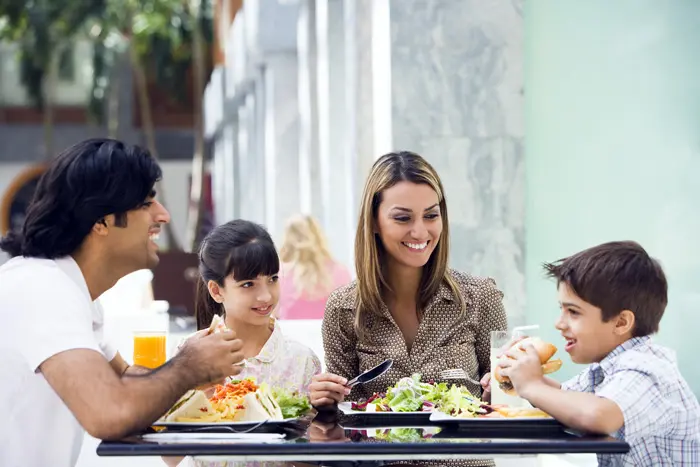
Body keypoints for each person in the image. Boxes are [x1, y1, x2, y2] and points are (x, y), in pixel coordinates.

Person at [0, 139, 246, 467]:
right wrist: (189, 365)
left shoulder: (69, 290)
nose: (163, 215)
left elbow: (126, 379)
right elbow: (110, 411)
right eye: (146, 203)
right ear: (100, 220)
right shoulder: (41, 287)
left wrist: (201, 377)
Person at [309, 150, 508, 407]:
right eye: (403, 218)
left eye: (431, 215)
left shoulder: (481, 297)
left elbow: (507, 401)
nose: (420, 231)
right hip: (376, 448)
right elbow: (342, 415)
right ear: (374, 222)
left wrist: (501, 390)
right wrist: (323, 401)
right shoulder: (343, 308)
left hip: (460, 447)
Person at [497, 241, 700, 466]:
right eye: (561, 309)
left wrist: (532, 385)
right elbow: (565, 397)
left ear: (621, 322)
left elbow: (597, 416)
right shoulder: (607, 367)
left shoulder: (648, 369)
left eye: (573, 312)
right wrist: (518, 375)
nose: (559, 324)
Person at [168, 219, 321, 467]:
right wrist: (200, 395)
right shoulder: (190, 353)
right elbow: (170, 457)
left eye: (272, 278)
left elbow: (310, 461)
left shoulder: (301, 360)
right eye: (248, 284)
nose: (265, 295)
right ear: (217, 291)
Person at [277, 214, 351, 320]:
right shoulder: (340, 272)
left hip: (289, 334)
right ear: (318, 236)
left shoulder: (278, 274)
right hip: (328, 335)